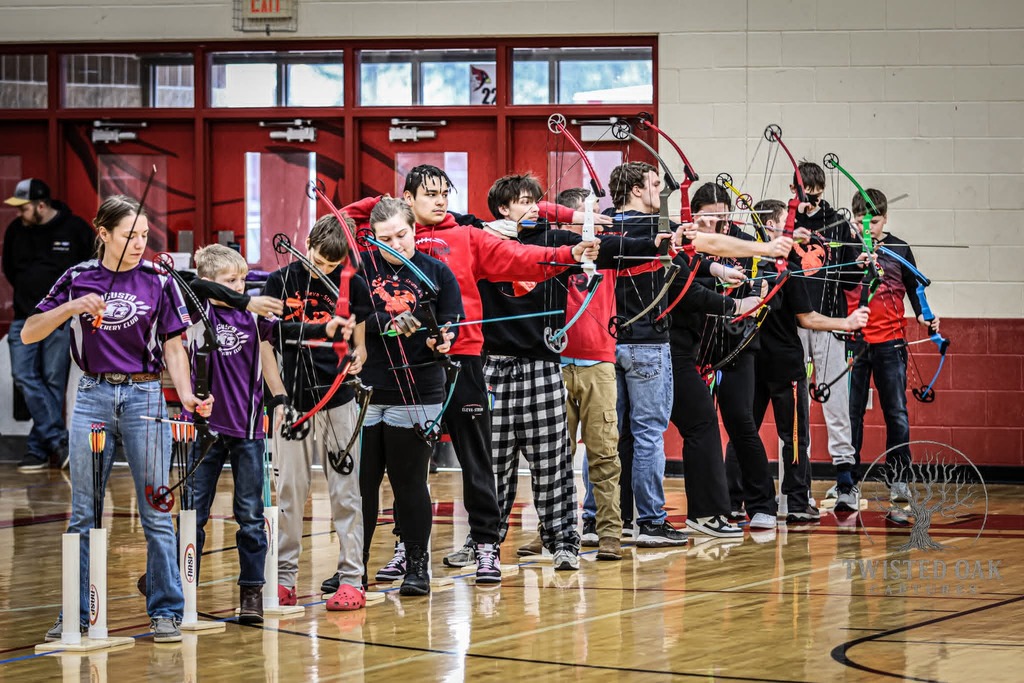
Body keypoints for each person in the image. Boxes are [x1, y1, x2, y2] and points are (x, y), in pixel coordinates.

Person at [342, 165, 598, 584]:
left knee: (478, 460)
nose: (440, 200)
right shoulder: (381, 244)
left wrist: (569, 255)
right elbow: (342, 221)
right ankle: (408, 548)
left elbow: (520, 259)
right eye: (429, 194)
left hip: (462, 361)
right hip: (407, 370)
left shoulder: (466, 236)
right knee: (409, 470)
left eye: (444, 193)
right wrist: (385, 203)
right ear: (407, 199)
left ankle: (485, 546)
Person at [24, 194, 210, 643]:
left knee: (157, 510)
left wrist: (187, 396)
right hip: (92, 395)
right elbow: (30, 332)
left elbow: (174, 347)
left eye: (144, 235)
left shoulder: (159, 281)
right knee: (83, 514)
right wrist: (72, 308)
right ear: (103, 233)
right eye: (129, 236)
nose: (139, 244)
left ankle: (165, 611)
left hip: (145, 395)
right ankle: (76, 614)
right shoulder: (77, 277)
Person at [725, 199, 869, 524]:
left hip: (751, 362)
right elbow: (807, 318)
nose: (788, 230)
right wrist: (846, 323)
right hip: (785, 366)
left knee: (744, 431)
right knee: (794, 437)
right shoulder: (785, 267)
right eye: (783, 224)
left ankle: (733, 500)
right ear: (771, 226)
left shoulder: (741, 263)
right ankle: (797, 502)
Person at [264, 213, 370, 611]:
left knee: (346, 493)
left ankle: (352, 579)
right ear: (306, 244)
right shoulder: (279, 281)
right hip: (292, 406)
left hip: (337, 401)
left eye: (332, 264)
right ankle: (284, 579)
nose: (323, 269)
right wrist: (278, 398)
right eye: (318, 260)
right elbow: (266, 345)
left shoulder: (352, 284)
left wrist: (357, 359)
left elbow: (360, 345)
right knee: (290, 493)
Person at [356, 197, 462, 595]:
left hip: (418, 389)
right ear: (371, 239)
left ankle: (417, 565)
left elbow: (450, 323)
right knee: (361, 487)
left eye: (401, 235)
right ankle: (353, 568)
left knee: (410, 483)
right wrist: (387, 321)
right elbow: (349, 317)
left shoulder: (437, 272)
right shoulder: (360, 271)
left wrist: (442, 339)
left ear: (414, 230)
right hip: (367, 389)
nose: (395, 245)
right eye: (384, 240)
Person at [184, 244, 289, 623]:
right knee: (193, 513)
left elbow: (268, 353)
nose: (241, 287)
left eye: (243, 279)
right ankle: (181, 586)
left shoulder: (254, 316)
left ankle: (251, 593)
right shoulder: (197, 309)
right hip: (205, 428)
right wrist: (240, 298)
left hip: (248, 429)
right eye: (230, 281)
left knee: (249, 514)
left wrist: (279, 397)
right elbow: (193, 283)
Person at [846, 188, 937, 518]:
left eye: (874, 221)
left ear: (885, 218)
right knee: (851, 414)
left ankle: (898, 479)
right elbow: (834, 287)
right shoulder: (848, 248)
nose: (868, 228)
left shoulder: (899, 248)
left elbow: (915, 287)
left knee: (896, 412)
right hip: (855, 341)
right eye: (861, 221)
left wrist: (926, 316)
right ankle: (848, 481)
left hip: (891, 342)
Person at [3, 178, 94, 471]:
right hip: (24, 317)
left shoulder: (76, 229)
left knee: (53, 381)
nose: (19, 213)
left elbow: (91, 269)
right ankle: (57, 440)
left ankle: (37, 450)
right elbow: (9, 269)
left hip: (60, 320)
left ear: (41, 206)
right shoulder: (16, 230)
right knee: (23, 375)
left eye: (24, 208)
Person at [790, 162, 862, 505]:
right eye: (807, 193)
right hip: (794, 323)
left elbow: (850, 280)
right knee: (794, 403)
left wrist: (859, 261)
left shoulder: (837, 223)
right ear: (795, 191)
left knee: (836, 401)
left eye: (817, 193)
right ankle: (797, 483)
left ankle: (846, 478)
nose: (813, 199)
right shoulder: (786, 223)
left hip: (830, 321)